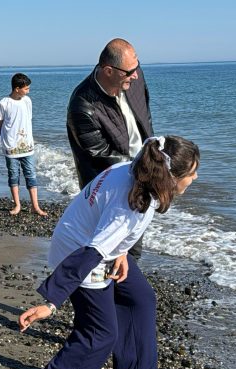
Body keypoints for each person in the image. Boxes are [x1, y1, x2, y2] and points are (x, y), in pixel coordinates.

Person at [13, 136, 200, 369]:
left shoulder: (140, 172)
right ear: (171, 176)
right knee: (100, 333)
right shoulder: (129, 204)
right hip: (79, 253)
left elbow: (111, 229)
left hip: (102, 246)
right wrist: (51, 303)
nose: (196, 177)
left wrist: (122, 251)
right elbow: (93, 250)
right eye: (191, 173)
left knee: (140, 299)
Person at [67, 38, 152, 258]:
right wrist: (143, 167)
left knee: (132, 249)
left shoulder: (135, 77)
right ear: (108, 71)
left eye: (137, 66)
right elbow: (100, 157)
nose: (136, 74)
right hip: (109, 190)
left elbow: (145, 117)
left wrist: (153, 156)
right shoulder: (82, 105)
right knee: (114, 252)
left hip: (141, 176)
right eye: (130, 71)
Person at [0, 73, 47, 216]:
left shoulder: (27, 101)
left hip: (27, 145)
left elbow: (28, 119)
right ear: (17, 88)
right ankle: (17, 205)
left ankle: (35, 206)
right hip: (10, 146)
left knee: (30, 174)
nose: (28, 91)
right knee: (13, 175)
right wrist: (4, 135)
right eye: (26, 88)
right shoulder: (4, 103)